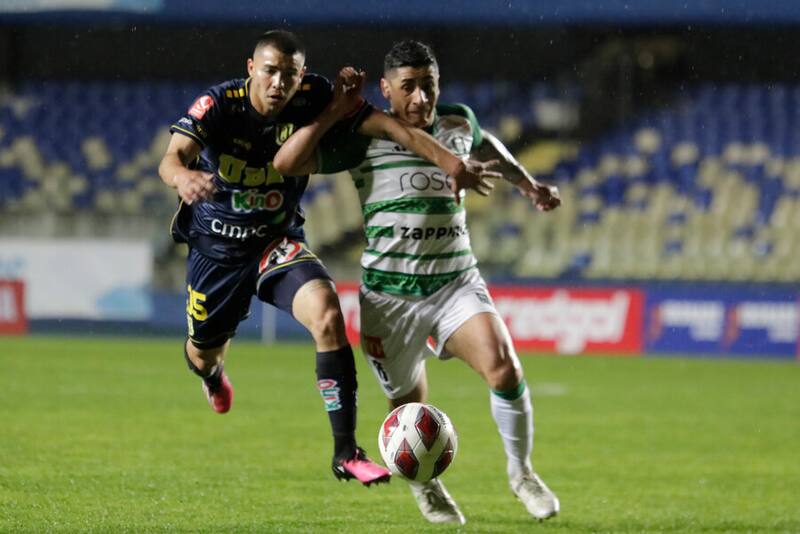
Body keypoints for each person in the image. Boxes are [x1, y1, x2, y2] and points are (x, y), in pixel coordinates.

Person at [158, 31, 494, 486]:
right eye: (270, 71)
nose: (279, 83)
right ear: (251, 67)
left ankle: (345, 452)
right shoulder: (219, 104)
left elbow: (392, 127)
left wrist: (451, 164)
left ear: (301, 75)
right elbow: (172, 158)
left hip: (275, 242)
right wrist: (182, 178)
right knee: (202, 352)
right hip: (217, 249)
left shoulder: (316, 94)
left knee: (328, 315)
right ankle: (213, 375)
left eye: (290, 74)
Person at [273, 40, 561, 523]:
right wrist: (329, 116)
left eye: (429, 85)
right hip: (390, 297)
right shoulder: (363, 135)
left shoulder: (456, 121)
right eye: (408, 88)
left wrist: (529, 185)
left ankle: (522, 473)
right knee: (407, 408)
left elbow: (490, 145)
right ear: (386, 90)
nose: (421, 98)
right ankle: (425, 485)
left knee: (505, 368)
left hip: (455, 281)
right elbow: (291, 162)